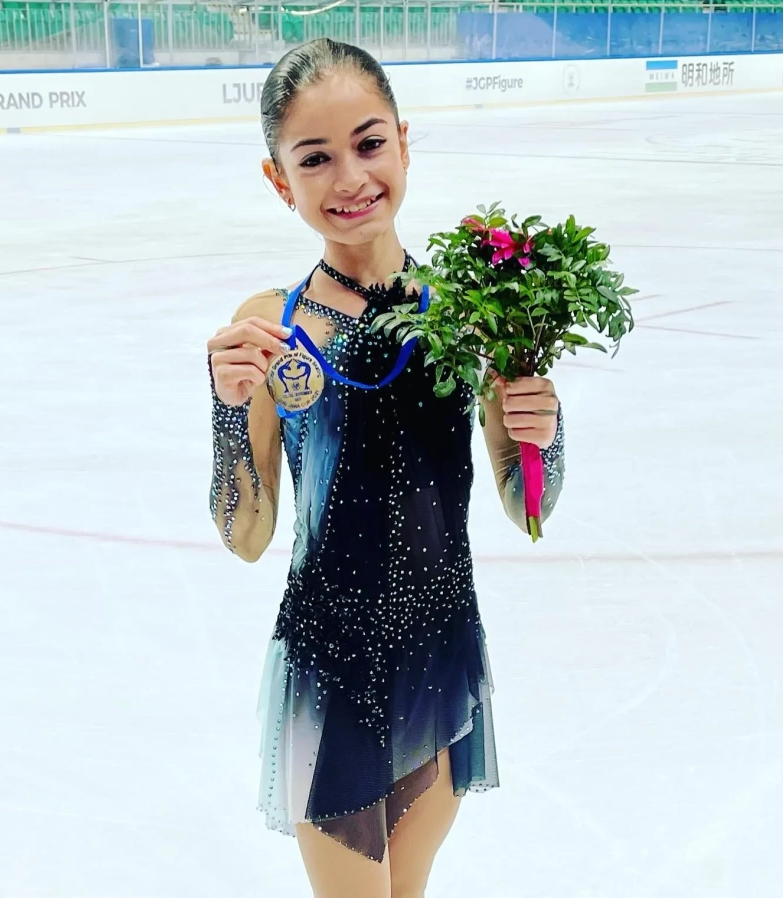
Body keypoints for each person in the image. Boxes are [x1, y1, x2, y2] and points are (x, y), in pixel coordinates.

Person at [206, 38, 565, 898]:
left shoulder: (469, 313)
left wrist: (543, 436)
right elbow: (244, 535)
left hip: (439, 655)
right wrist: (227, 414)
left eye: (369, 144)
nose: (350, 178)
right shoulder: (275, 326)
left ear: (404, 142)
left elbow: (531, 506)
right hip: (330, 665)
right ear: (279, 180)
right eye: (314, 159)